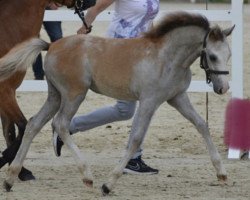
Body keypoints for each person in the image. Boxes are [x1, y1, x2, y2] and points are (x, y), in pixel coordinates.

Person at [53, 0, 160, 175]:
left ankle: (69, 127)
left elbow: (148, 21)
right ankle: (133, 158)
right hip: (119, 50)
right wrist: (84, 28)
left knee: (125, 111)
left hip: (143, 52)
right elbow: (97, 7)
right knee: (141, 103)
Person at [32, 2, 63, 80]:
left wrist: (54, 2)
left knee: (58, 39)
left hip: (49, 6)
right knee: (33, 41)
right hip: (30, 7)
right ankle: (38, 75)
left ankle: (59, 72)